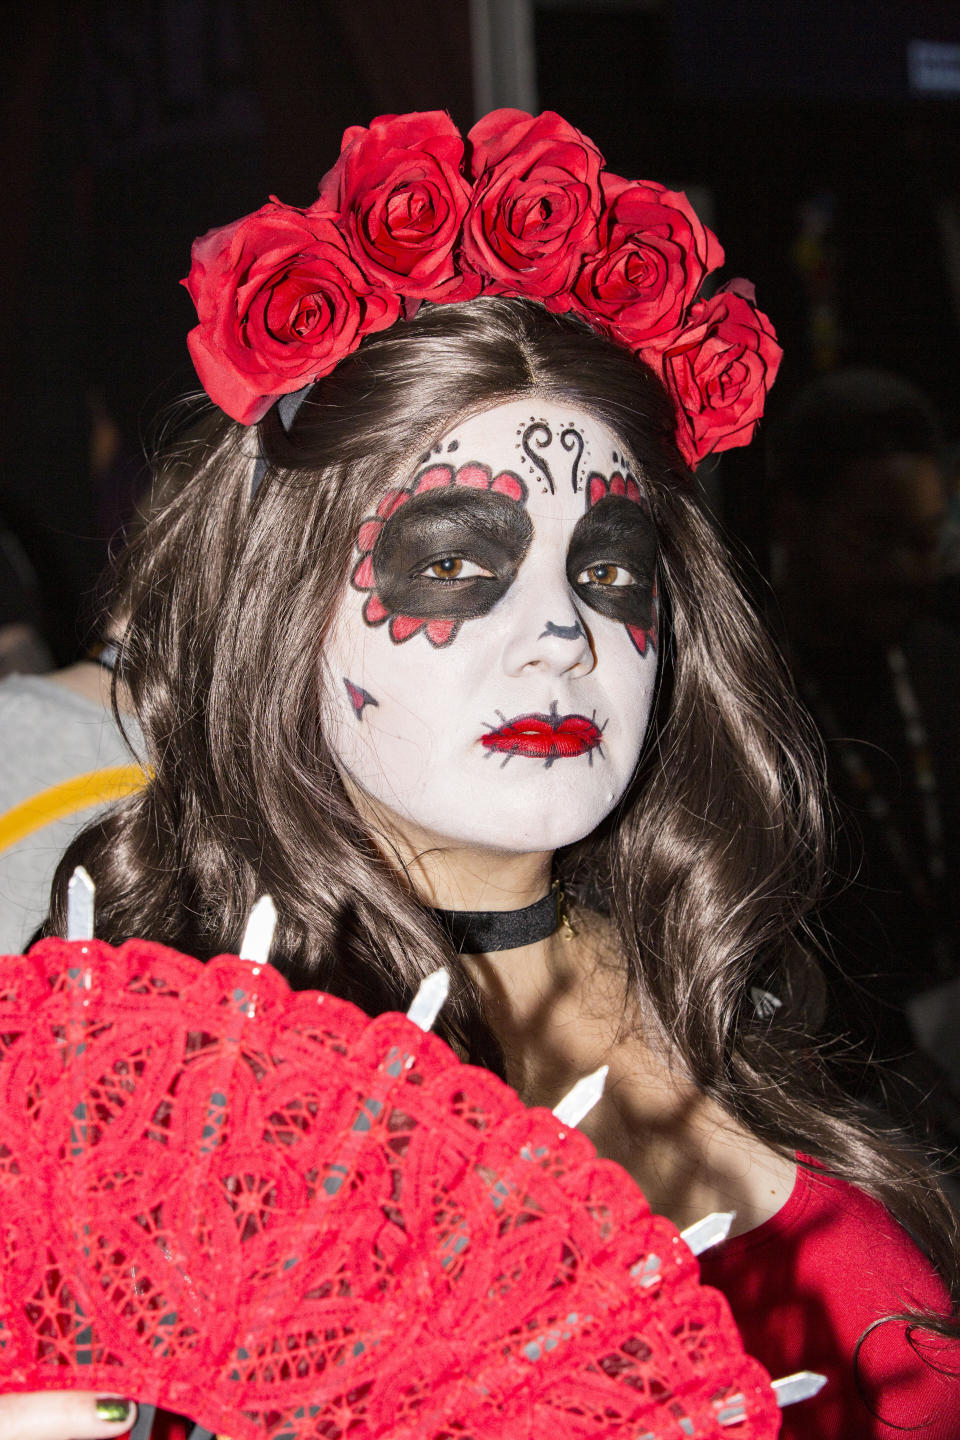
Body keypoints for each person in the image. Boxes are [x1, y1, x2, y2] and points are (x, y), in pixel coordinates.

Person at [3, 110, 958, 1440]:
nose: (564, 633)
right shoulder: (140, 1125)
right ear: (288, 611)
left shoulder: (815, 1196)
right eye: (455, 562)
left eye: (613, 571)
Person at [767, 369, 960, 1139]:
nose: (909, 572)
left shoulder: (942, 664)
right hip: (844, 1100)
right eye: (877, 540)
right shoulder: (751, 697)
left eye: (928, 540)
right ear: (793, 521)